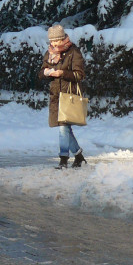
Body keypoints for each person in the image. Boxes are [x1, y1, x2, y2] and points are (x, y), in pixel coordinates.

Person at [39, 24, 86, 169]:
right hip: (55, 96)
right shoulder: (50, 53)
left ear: (62, 39)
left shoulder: (74, 52)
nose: (53, 44)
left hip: (69, 95)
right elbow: (41, 73)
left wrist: (62, 73)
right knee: (65, 129)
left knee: (63, 128)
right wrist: (47, 73)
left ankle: (63, 159)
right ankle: (79, 157)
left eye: (56, 41)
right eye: (51, 41)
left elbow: (80, 75)